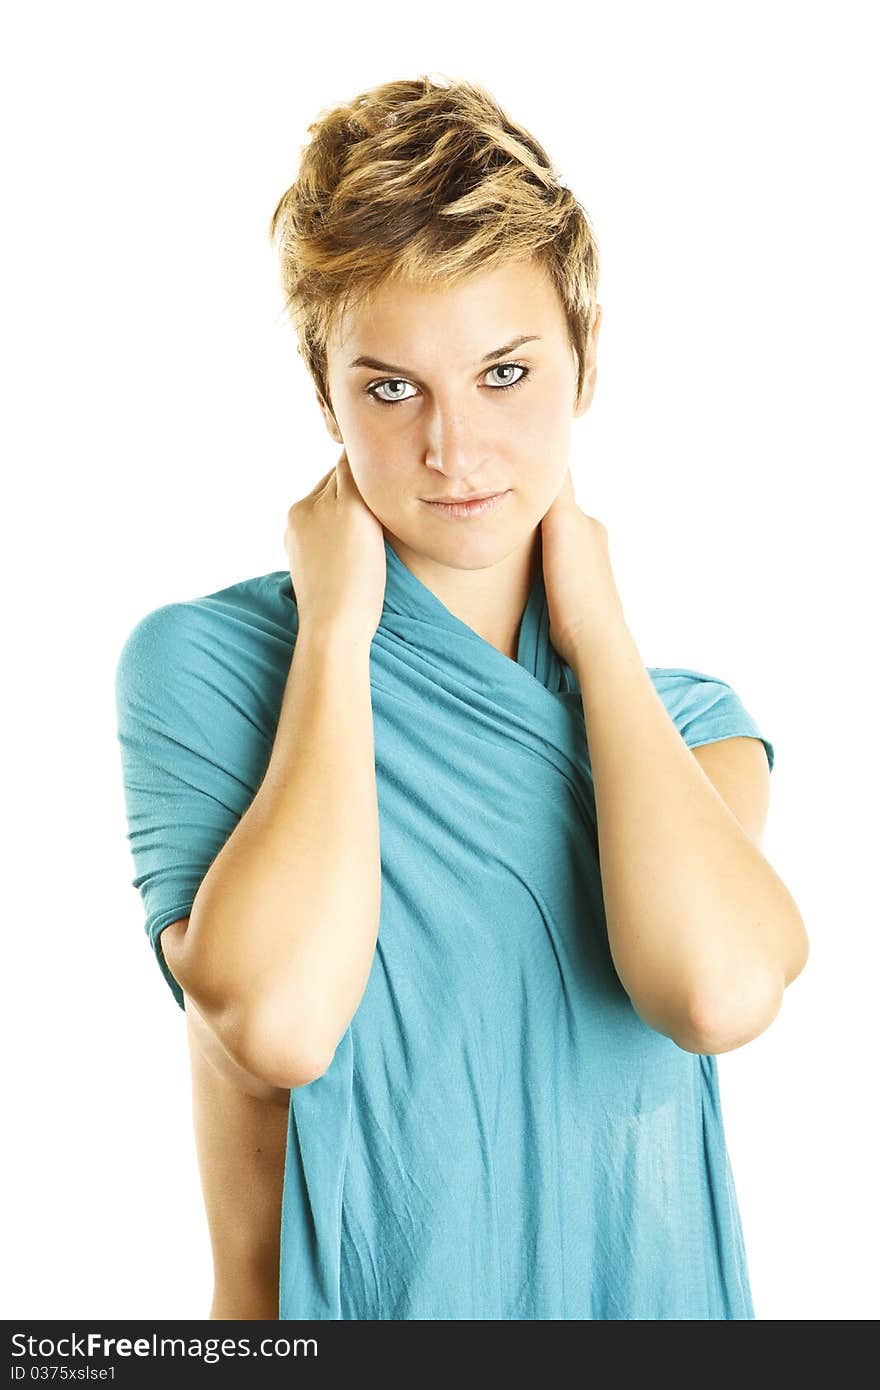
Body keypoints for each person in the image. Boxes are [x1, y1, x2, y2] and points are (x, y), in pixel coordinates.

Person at [114, 74, 809, 1321]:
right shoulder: (208, 671)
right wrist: (332, 633)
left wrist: (595, 627)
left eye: (503, 373)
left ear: (584, 359)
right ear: (321, 390)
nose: (454, 448)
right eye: (391, 388)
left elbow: (713, 991)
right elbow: (278, 1019)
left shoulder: (689, 726)